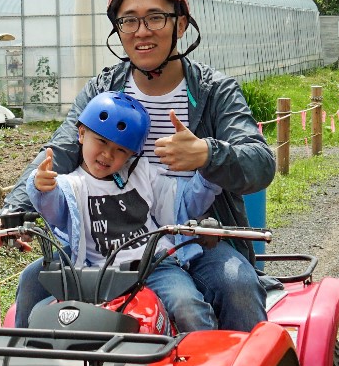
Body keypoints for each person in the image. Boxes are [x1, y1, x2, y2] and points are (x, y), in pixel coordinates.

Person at [0, 0, 274, 333]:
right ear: (118, 29)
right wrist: (11, 212)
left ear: (180, 24)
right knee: (31, 282)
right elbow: (57, 153)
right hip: (105, 239)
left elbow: (260, 162)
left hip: (195, 238)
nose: (142, 32)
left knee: (236, 284)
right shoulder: (102, 92)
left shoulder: (214, 91)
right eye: (129, 20)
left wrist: (207, 153)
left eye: (155, 18)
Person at [14, 91, 225, 332]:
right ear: (81, 133)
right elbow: (55, 207)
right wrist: (41, 186)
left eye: (120, 150)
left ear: (132, 154)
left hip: (155, 266)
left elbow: (181, 201)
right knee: (44, 312)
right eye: (101, 141)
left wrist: (208, 170)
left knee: (187, 305)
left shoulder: (141, 172)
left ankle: (204, 362)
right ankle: (21, 353)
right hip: (96, 274)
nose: (107, 155)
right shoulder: (71, 185)